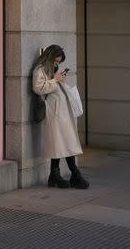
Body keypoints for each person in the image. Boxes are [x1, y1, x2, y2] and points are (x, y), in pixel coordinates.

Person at [31, 44, 89, 189]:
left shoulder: (52, 70)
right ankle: (73, 174)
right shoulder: (40, 70)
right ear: (50, 58)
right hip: (54, 112)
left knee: (65, 143)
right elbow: (38, 88)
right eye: (56, 61)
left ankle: (56, 175)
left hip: (62, 112)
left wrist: (59, 79)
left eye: (58, 62)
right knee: (61, 143)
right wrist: (55, 80)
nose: (57, 64)